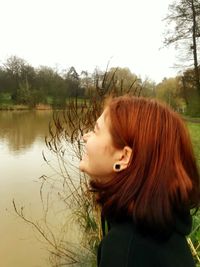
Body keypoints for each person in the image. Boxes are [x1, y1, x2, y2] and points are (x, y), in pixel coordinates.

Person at [79, 95, 200, 267]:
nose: (85, 137)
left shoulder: (125, 251)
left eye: (96, 131)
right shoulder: (159, 229)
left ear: (124, 157)